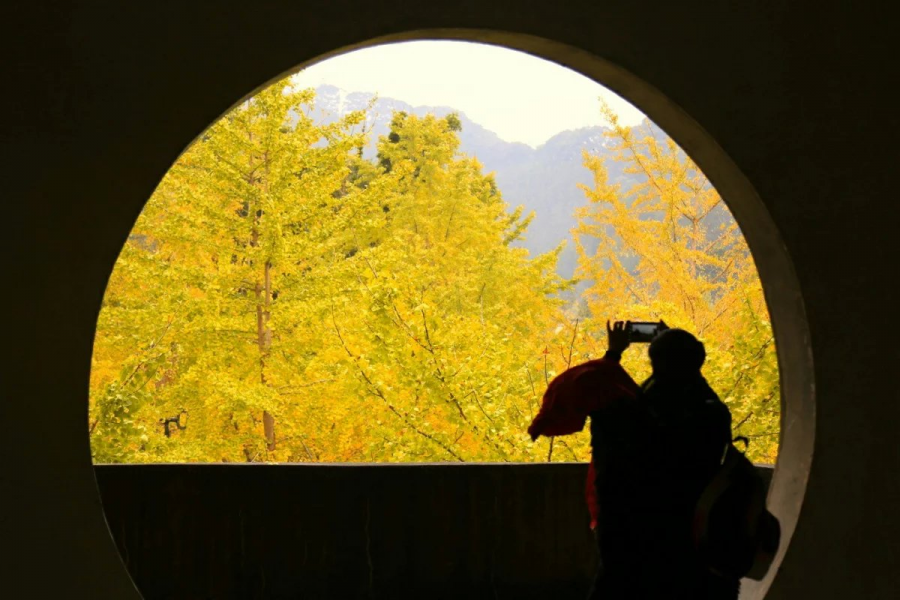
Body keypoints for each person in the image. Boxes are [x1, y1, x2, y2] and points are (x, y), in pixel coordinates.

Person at [529, 321, 740, 599]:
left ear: (656, 363)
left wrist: (613, 355)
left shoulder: (629, 411)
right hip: (689, 532)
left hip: (631, 530)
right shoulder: (712, 413)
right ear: (696, 362)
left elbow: (590, 383)